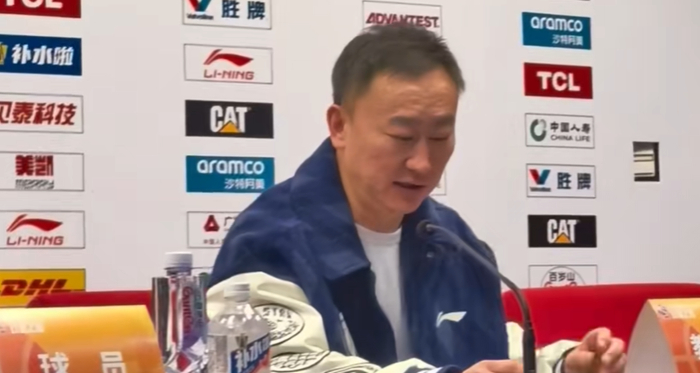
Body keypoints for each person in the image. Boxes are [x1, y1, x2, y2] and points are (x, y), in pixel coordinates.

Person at [206, 24, 627, 373]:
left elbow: (487, 345)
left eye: (440, 137)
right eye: (402, 137)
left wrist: (562, 364)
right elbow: (288, 363)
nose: (423, 164)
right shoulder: (268, 240)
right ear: (339, 126)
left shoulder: (449, 236)